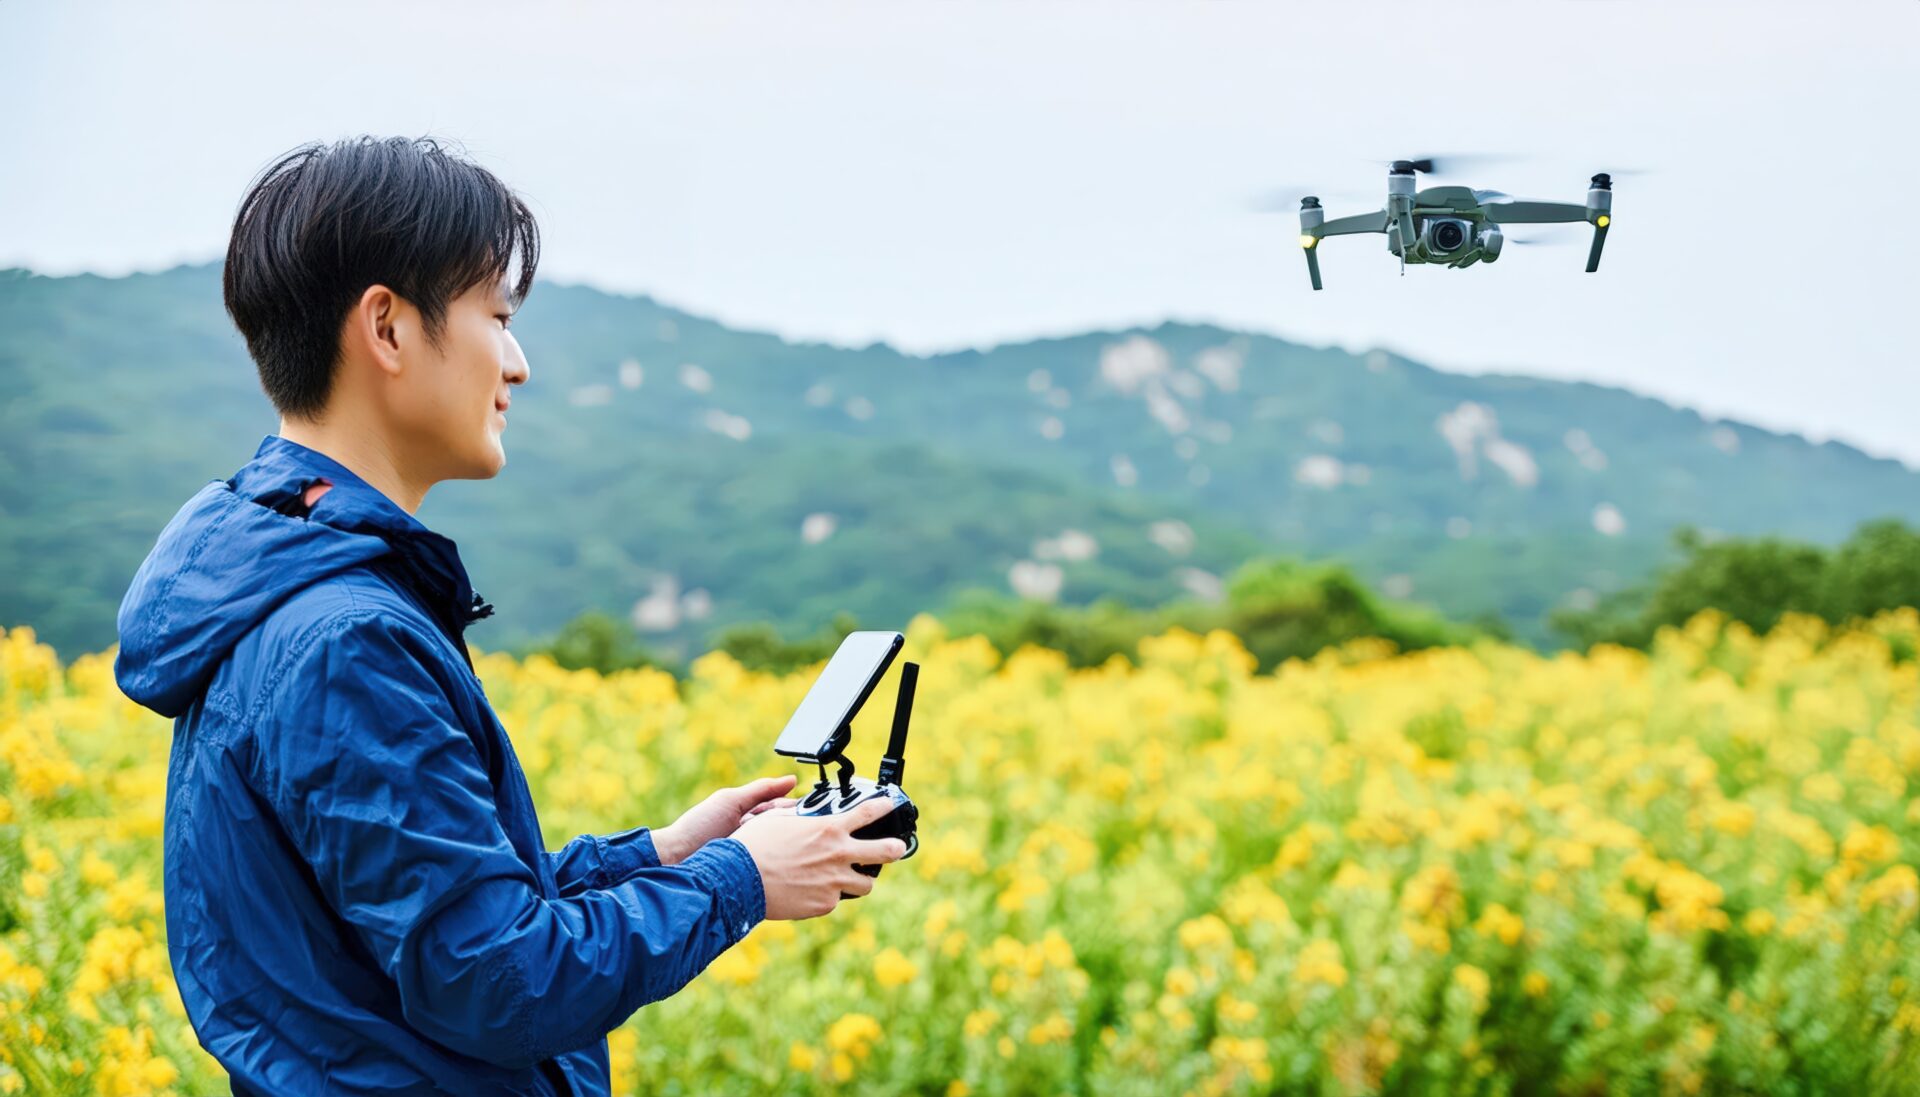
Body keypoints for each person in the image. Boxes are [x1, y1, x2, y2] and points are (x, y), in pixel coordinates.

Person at [112, 135, 906, 1095]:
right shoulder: (342, 639)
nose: (518, 364)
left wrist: (663, 854)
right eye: (497, 316)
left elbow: (435, 919)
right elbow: (497, 979)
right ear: (388, 328)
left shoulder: (278, 585)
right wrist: (741, 879)